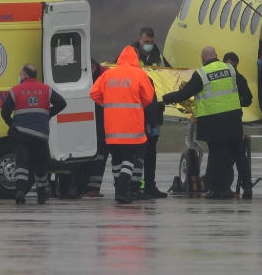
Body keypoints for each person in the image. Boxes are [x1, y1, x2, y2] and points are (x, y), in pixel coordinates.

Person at [161, 46, 251, 199]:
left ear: (203, 59)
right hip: (233, 120)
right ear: (216, 55)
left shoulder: (201, 74)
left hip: (212, 123)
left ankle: (215, 189)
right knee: (239, 155)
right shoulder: (230, 70)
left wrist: (164, 99)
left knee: (215, 156)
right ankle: (247, 189)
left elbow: (184, 94)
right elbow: (247, 96)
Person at [89, 46, 155, 205]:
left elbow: (94, 93)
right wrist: (137, 105)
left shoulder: (108, 74)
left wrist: (106, 104)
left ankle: (120, 189)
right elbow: (149, 97)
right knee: (129, 160)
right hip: (132, 127)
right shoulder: (139, 74)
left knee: (117, 160)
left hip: (111, 128)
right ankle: (122, 190)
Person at [1, 64, 67, 205]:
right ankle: (42, 192)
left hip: (21, 134)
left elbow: (4, 112)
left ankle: (20, 191)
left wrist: (12, 124)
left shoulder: (15, 91)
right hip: (40, 135)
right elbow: (62, 102)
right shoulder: (46, 89)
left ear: (24, 75)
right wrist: (48, 114)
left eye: (20, 73)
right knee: (40, 164)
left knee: (22, 163)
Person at [222, 52, 255, 198]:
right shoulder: (223, 78)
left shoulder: (239, 79)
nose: (233, 70)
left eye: (235, 67)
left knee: (237, 156)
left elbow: (248, 99)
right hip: (225, 121)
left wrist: (237, 101)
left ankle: (246, 187)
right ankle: (225, 186)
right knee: (226, 157)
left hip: (232, 122)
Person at [81, 58, 109, 198]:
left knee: (101, 156)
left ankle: (93, 188)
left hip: (106, 123)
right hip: (98, 121)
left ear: (91, 66)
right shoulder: (101, 74)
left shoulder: (105, 76)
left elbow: (94, 95)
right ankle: (90, 187)